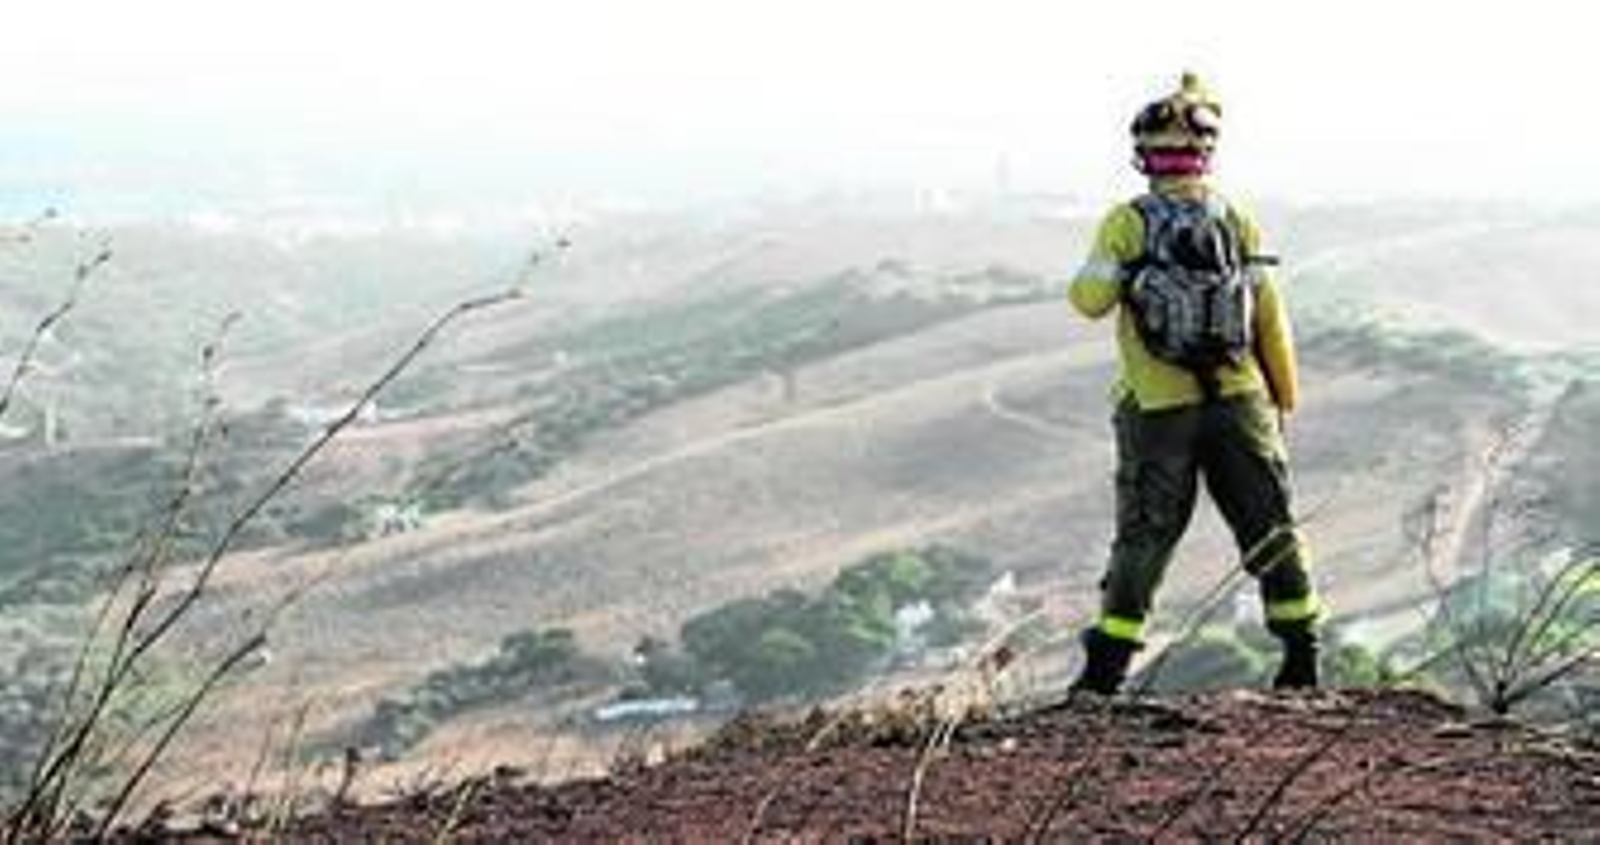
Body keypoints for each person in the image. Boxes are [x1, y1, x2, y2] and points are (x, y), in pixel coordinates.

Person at [1067, 73, 1323, 694]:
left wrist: (1125, 268)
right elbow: (1269, 317)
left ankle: (1104, 674)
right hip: (1242, 402)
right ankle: (1301, 658)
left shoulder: (1125, 222)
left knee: (1145, 537)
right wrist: (1282, 398)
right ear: (1207, 153)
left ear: (1143, 156)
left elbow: (1089, 300)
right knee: (1270, 525)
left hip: (1157, 408)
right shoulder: (1237, 219)